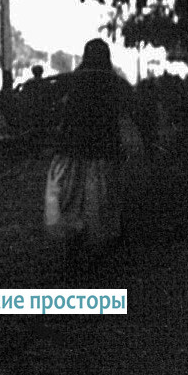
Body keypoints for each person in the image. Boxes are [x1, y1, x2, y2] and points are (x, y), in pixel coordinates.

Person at [43, 38, 138, 268]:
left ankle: (73, 256)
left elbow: (48, 105)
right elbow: (133, 112)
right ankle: (97, 262)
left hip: (70, 153)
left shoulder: (71, 81)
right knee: (100, 210)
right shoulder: (117, 84)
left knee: (69, 207)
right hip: (104, 155)